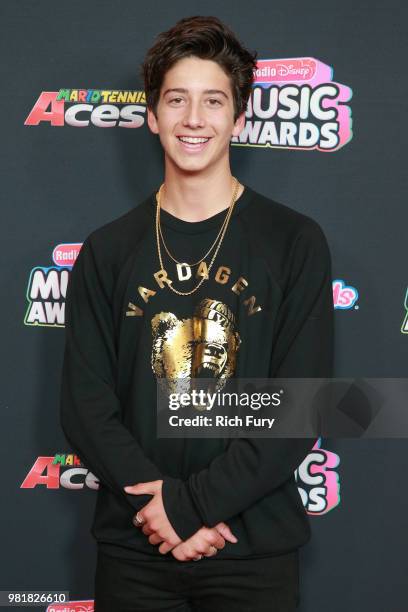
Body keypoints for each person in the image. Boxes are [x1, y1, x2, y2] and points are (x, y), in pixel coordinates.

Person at [60, 14, 334, 612]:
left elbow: (296, 406)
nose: (193, 119)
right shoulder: (108, 249)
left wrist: (189, 508)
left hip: (252, 549)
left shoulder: (294, 241)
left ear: (239, 119)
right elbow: (86, 408)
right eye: (176, 99)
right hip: (135, 549)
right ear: (152, 116)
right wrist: (160, 512)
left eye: (213, 101)